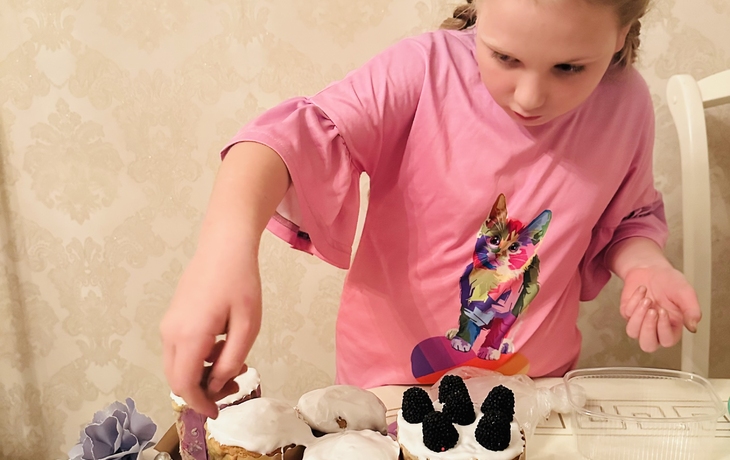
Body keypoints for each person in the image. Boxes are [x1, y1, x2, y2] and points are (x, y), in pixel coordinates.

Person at [160, 0, 702, 419]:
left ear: (622, 35)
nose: (529, 97)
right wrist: (223, 254)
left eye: (569, 67)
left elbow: (629, 218)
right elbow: (288, 140)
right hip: (388, 389)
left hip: (534, 392)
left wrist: (646, 265)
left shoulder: (626, 102)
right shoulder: (425, 69)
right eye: (505, 58)